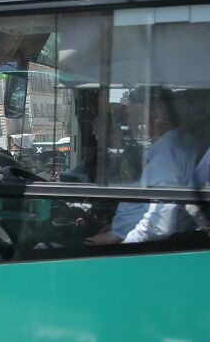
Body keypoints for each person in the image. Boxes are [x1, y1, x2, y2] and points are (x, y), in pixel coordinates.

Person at [86, 88, 201, 246]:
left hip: (140, 249)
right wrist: (118, 228)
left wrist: (120, 241)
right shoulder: (168, 149)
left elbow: (159, 225)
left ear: (157, 117)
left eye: (135, 116)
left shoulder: (166, 159)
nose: (130, 123)